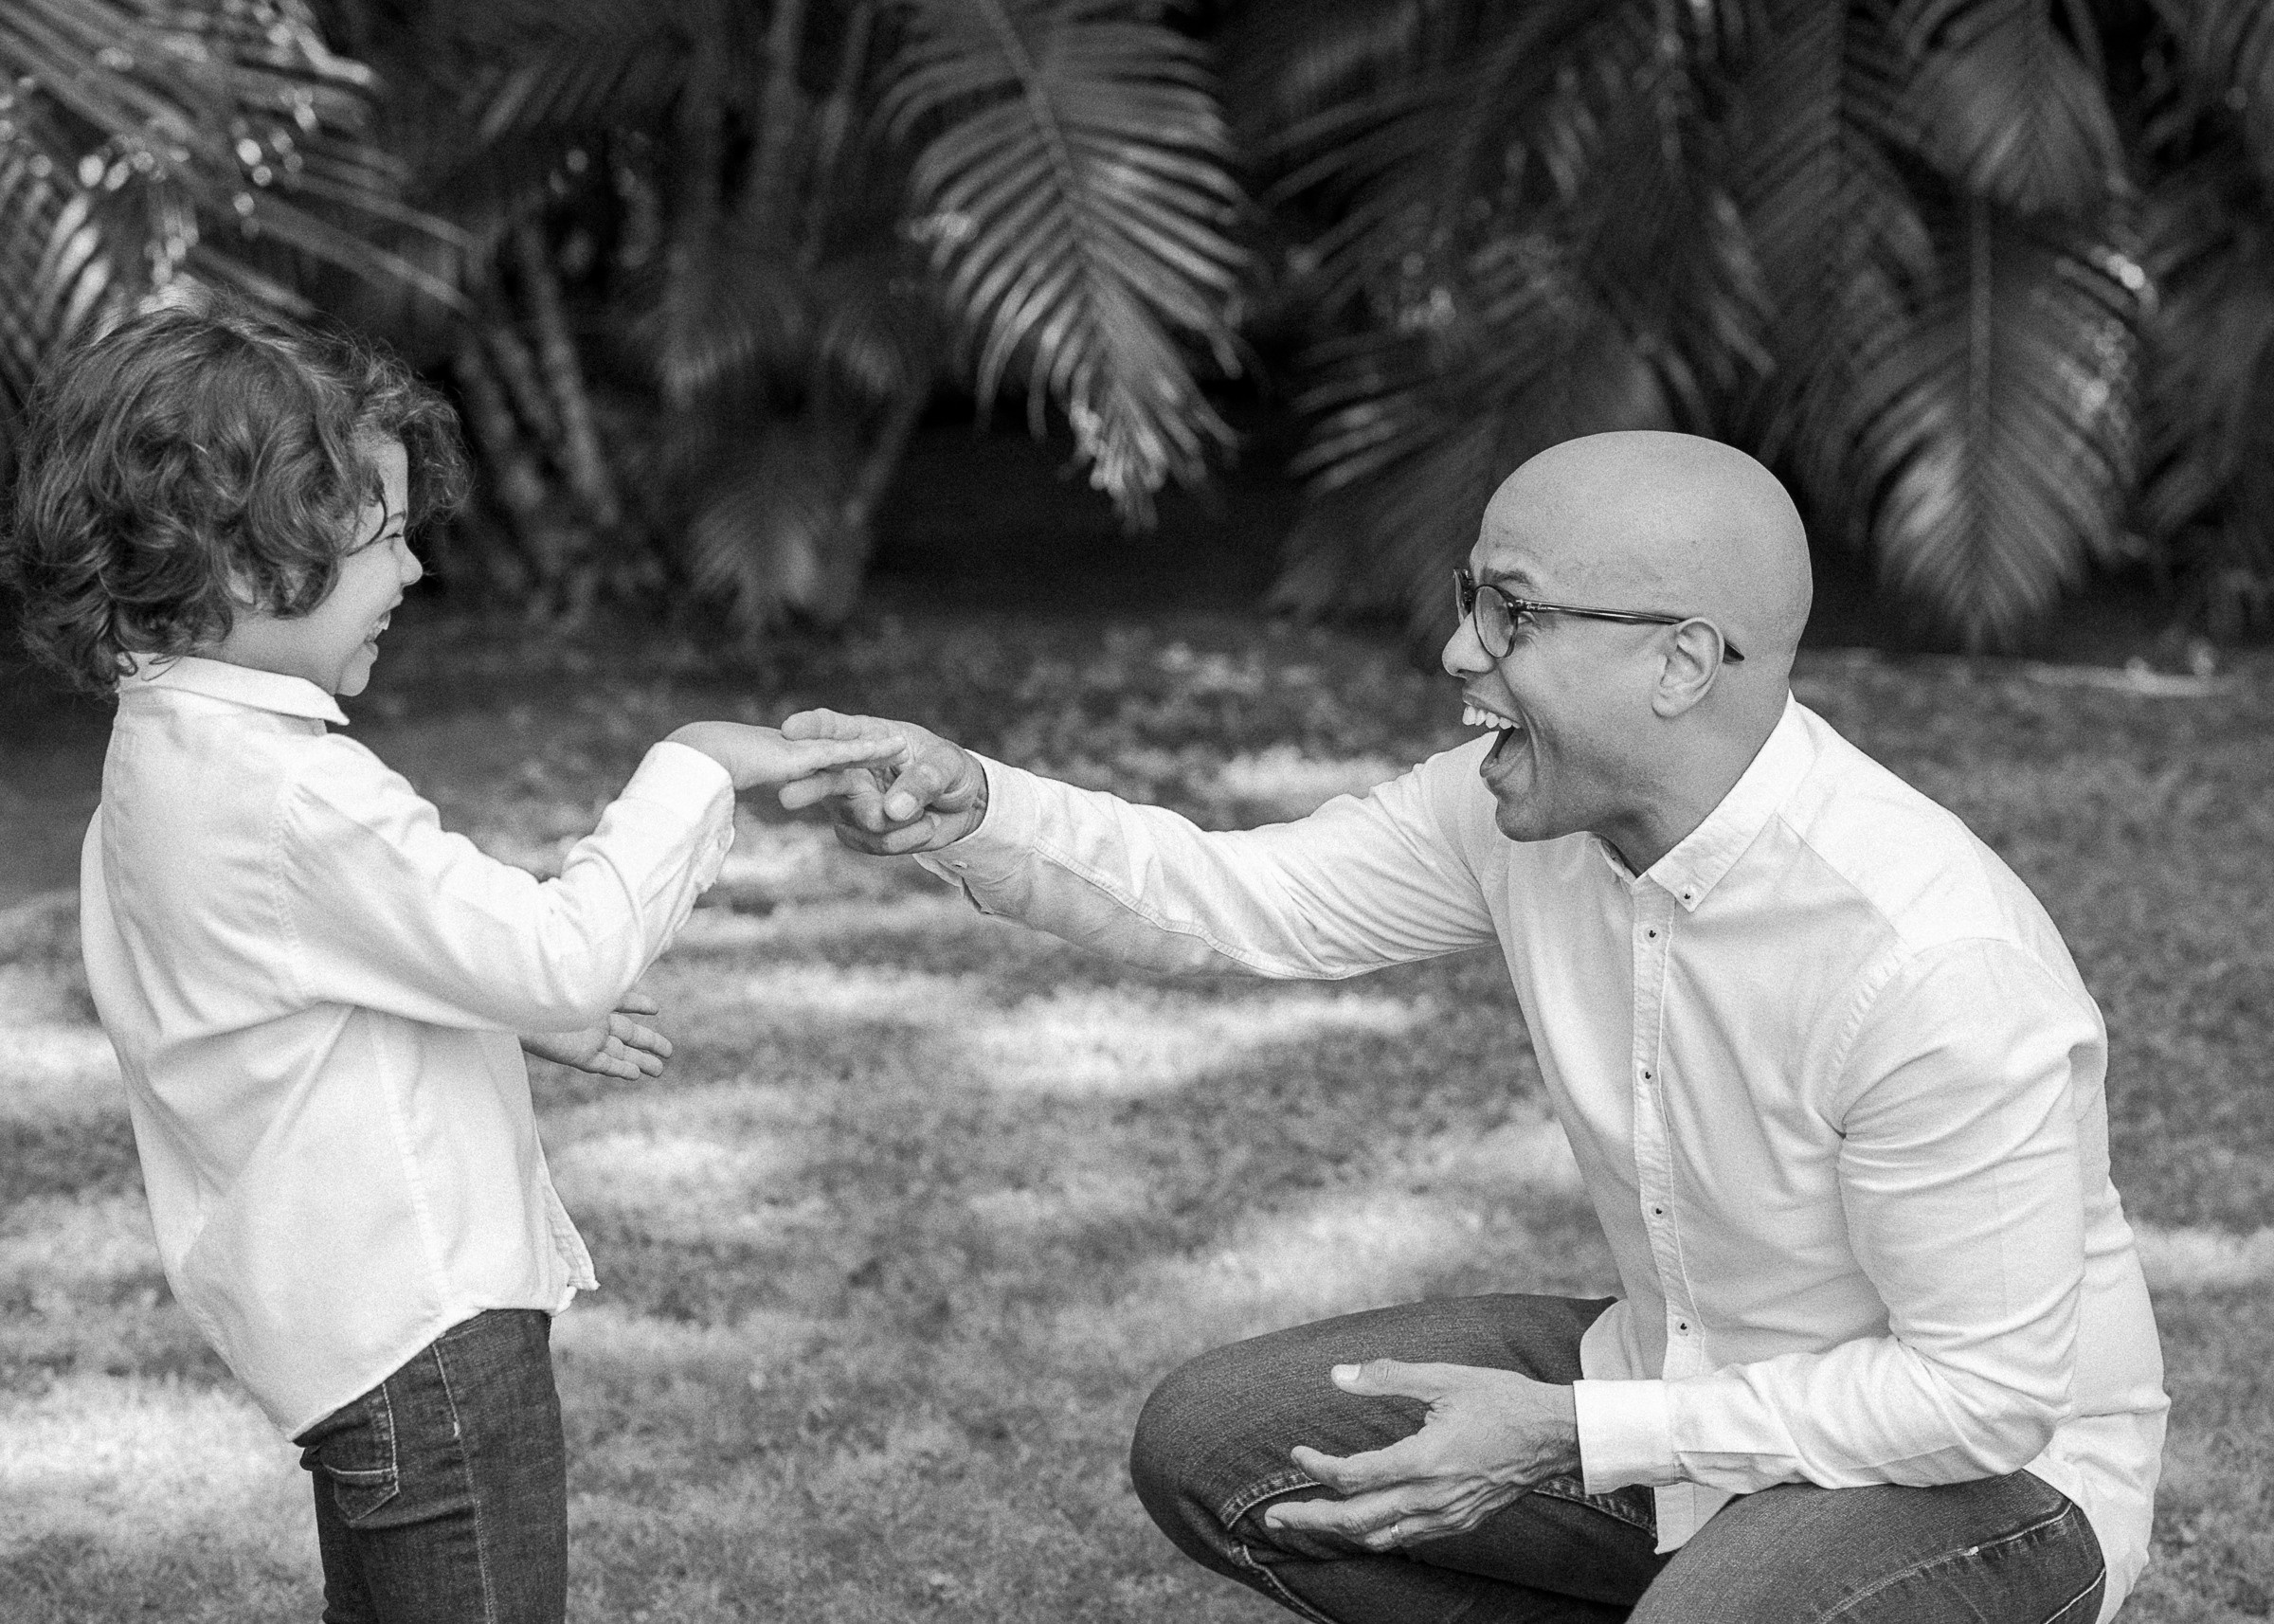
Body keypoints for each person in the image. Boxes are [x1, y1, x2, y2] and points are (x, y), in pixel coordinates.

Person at [778, 431, 2168, 1623]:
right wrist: (980, 810)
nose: (1459, 651)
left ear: (1682, 662)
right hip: (1680, 1384)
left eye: (1513, 612)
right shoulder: (1518, 811)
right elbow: (1251, 897)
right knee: (1222, 1446)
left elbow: (1980, 1396)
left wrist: (1569, 1435)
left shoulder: (1929, 960)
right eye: (1473, 598)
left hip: (1991, 1482)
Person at [0, 292, 898, 1624]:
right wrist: (696, 764)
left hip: (343, 1340)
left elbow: (271, 985)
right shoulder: (301, 794)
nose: (415, 573)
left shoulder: (161, 755)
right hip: (428, 1345)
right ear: (246, 564)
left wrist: (496, 1012)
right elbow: (561, 955)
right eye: (386, 538)